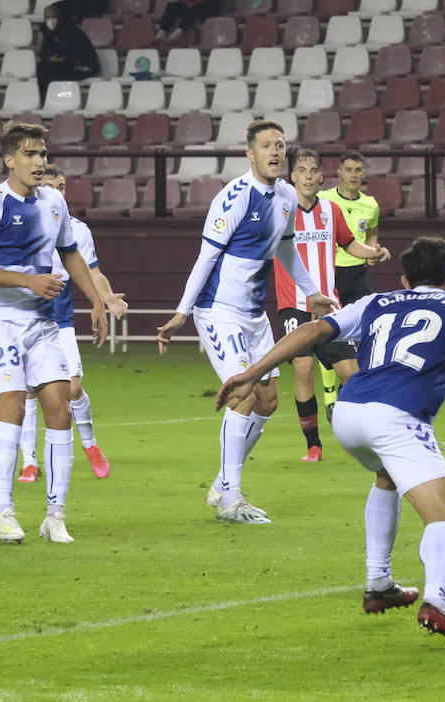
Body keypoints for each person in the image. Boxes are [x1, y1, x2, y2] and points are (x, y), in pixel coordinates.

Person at [216, 236, 445, 647]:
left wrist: (253, 372)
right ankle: (438, 603)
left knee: (387, 477)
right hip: (395, 418)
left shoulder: (375, 301)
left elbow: (314, 328)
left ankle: (379, 584)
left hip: (348, 412)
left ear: (404, 278)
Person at [155, 120, 336, 524]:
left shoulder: (287, 196)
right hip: (219, 311)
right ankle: (231, 500)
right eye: (267, 146)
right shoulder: (233, 197)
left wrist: (310, 292)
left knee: (269, 400)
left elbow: (286, 251)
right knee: (244, 393)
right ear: (250, 154)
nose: (276, 151)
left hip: (254, 316)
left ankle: (222, 482)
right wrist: (183, 312)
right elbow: (206, 257)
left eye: (280, 145)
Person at [0, 122, 109, 544]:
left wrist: (95, 300)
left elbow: (70, 253)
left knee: (59, 409)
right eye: (30, 154)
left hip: (42, 323)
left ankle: (54, 515)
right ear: (10, 160)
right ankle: (3, 510)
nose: (39, 162)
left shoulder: (54, 201)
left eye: (43, 154)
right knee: (13, 409)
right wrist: (28, 282)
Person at [0, 164, 128, 483]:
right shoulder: (19, 218)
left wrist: (105, 299)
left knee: (72, 389)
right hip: (16, 318)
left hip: (57, 319)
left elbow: (92, 271)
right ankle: (30, 463)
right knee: (27, 394)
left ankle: (90, 445)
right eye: (53, 186)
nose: (58, 192)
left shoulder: (76, 228)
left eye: (62, 186)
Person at [276, 149, 391, 462]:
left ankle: (350, 435)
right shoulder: (280, 211)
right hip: (294, 305)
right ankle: (313, 445)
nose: (309, 176)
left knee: (351, 375)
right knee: (303, 369)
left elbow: (349, 243)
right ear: (293, 177)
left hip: (330, 306)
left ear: (320, 176)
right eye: (303, 170)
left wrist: (373, 252)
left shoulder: (331, 210)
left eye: (314, 171)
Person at [317, 152, 384, 417]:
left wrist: (372, 250)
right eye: (349, 169)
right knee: (329, 331)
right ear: (339, 173)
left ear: (364, 174)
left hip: (358, 274)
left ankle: (353, 387)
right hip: (330, 274)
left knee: (362, 332)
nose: (354, 174)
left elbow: (372, 232)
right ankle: (330, 393)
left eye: (358, 170)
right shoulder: (324, 199)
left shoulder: (371, 204)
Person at [36, 2, 99, 100]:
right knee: (42, 68)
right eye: (48, 17)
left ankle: (58, 99)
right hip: (67, 66)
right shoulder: (47, 31)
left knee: (51, 68)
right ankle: (45, 101)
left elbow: (63, 54)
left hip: (83, 67)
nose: (51, 20)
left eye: (54, 16)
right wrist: (50, 57)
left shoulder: (70, 30)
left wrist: (50, 58)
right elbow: (43, 53)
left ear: (59, 16)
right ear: (44, 18)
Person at [155, 0, 223, 42]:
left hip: (207, 7)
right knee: (171, 6)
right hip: (191, 7)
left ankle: (175, 35)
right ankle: (161, 32)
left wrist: (191, 4)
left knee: (194, 9)